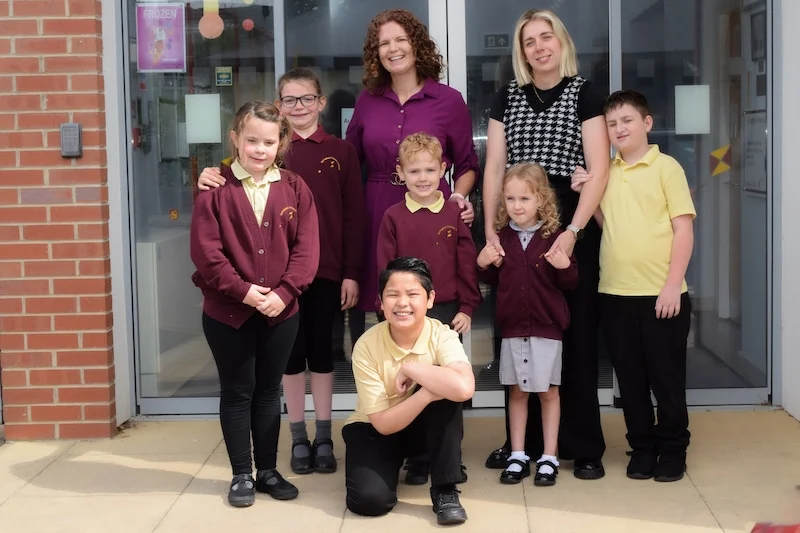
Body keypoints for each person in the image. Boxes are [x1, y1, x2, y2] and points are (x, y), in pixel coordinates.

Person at [196, 69, 365, 476]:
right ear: (278, 108)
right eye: (289, 100)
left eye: (307, 98)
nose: (299, 107)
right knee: (285, 363)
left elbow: (352, 218)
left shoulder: (337, 152)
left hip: (316, 274)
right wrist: (202, 175)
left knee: (322, 354)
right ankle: (295, 438)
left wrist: (350, 272)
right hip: (261, 286)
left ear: (321, 102)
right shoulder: (260, 156)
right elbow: (224, 183)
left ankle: (321, 436)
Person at [480, 8, 610, 479]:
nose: (539, 47)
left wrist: (574, 233)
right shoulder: (506, 97)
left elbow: (599, 169)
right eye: (529, 41)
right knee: (520, 332)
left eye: (545, 37)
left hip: (568, 224)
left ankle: (582, 444)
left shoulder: (586, 93)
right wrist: (493, 231)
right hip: (517, 224)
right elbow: (495, 167)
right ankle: (524, 444)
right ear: (521, 52)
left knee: (572, 335)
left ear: (561, 42)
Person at [189, 101, 319, 507]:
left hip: (282, 312)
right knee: (237, 392)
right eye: (251, 141)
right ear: (235, 139)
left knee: (267, 392)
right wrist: (244, 292)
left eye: (268, 141)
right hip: (228, 312)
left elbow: (307, 249)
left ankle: (267, 470)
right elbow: (207, 254)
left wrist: (284, 293)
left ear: (281, 142)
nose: (259, 149)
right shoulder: (215, 189)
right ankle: (241, 474)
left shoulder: (295, 187)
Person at [574, 90, 695, 482]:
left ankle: (673, 449)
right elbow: (611, 226)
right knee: (630, 379)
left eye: (626, 120)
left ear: (647, 123)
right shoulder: (606, 173)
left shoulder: (668, 169)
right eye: (611, 124)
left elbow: (683, 229)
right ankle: (642, 447)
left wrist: (672, 285)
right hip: (615, 294)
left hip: (662, 295)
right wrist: (585, 193)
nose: (618, 128)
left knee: (666, 377)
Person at [347, 8, 480, 321]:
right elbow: (349, 160)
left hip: (433, 211)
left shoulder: (448, 100)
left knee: (438, 305)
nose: (393, 49)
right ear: (375, 54)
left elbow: (466, 164)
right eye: (384, 44)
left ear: (417, 44)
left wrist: (458, 198)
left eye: (401, 40)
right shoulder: (367, 99)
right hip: (379, 210)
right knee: (392, 305)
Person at [376, 132, 480, 485]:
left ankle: (450, 458)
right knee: (413, 386)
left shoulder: (454, 213)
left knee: (448, 388)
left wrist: (467, 306)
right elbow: (384, 267)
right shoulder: (393, 216)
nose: (422, 178)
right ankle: (418, 458)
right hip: (407, 316)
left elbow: (467, 264)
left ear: (444, 170)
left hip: (447, 311)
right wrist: (388, 313)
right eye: (415, 170)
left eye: (430, 170)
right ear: (400, 173)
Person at [343, 257, 475, 525]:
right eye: (392, 295)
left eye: (413, 294)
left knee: (447, 390)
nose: (402, 303)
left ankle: (445, 490)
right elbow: (381, 423)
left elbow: (464, 388)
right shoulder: (367, 346)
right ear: (380, 302)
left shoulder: (442, 334)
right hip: (375, 427)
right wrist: (425, 393)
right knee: (369, 500)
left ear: (430, 299)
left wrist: (413, 369)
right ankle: (407, 460)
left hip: (422, 426)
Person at [477, 163, 578, 487]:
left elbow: (571, 281)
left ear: (541, 199)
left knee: (549, 392)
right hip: (513, 328)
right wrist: (481, 265)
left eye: (524, 198)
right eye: (510, 199)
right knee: (517, 392)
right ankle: (518, 454)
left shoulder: (553, 237)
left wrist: (564, 267)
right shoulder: (502, 238)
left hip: (547, 329)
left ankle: (549, 456)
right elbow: (493, 277)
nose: (517, 206)